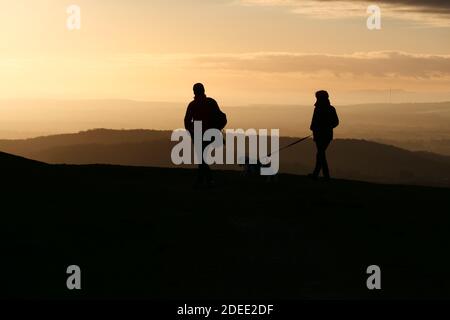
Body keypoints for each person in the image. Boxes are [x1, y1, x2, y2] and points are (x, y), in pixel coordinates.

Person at [184, 83, 227, 186]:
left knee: (201, 158)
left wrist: (192, 131)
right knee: (202, 158)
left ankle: (205, 180)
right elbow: (222, 118)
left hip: (201, 133)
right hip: (204, 133)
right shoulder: (209, 102)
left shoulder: (194, 104)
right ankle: (205, 180)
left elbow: (187, 122)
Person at [309, 90, 339, 180]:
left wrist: (316, 128)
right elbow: (336, 122)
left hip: (320, 135)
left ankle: (324, 175)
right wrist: (327, 127)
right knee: (320, 154)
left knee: (320, 154)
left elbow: (313, 122)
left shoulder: (318, 109)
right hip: (326, 135)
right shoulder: (331, 109)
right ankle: (318, 174)